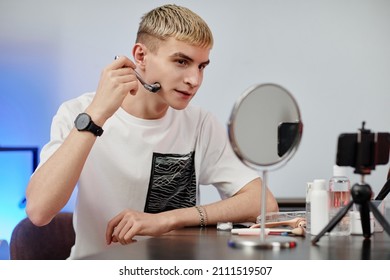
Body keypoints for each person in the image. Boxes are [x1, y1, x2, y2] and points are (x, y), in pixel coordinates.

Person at [25, 4, 278, 259]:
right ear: (141, 56)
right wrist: (96, 115)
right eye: (181, 61)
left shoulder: (200, 123)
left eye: (201, 66)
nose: (195, 79)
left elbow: (264, 203)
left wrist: (168, 219)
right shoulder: (78, 113)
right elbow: (39, 211)